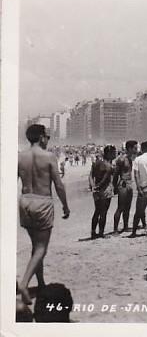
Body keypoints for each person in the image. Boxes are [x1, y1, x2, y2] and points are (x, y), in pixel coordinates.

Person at [17, 124, 70, 305]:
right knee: (41, 248)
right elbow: (58, 184)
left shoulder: (20, 156)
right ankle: (24, 284)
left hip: (25, 201)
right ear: (41, 137)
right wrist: (65, 206)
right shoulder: (48, 156)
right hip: (42, 201)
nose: (48, 140)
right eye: (47, 136)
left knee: (35, 246)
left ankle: (40, 283)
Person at [89, 145, 116, 239]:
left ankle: (93, 232)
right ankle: (101, 233)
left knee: (97, 211)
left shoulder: (96, 163)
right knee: (103, 212)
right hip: (105, 190)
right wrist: (99, 186)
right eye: (113, 153)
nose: (115, 154)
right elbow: (105, 179)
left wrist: (93, 186)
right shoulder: (108, 165)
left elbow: (91, 176)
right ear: (109, 153)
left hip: (96, 190)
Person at [112, 140, 138, 233]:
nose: (136, 149)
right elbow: (116, 174)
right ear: (130, 148)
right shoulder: (121, 159)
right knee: (120, 207)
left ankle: (125, 226)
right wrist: (114, 187)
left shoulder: (130, 158)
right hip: (123, 184)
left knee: (127, 207)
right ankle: (115, 229)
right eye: (135, 148)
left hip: (129, 184)